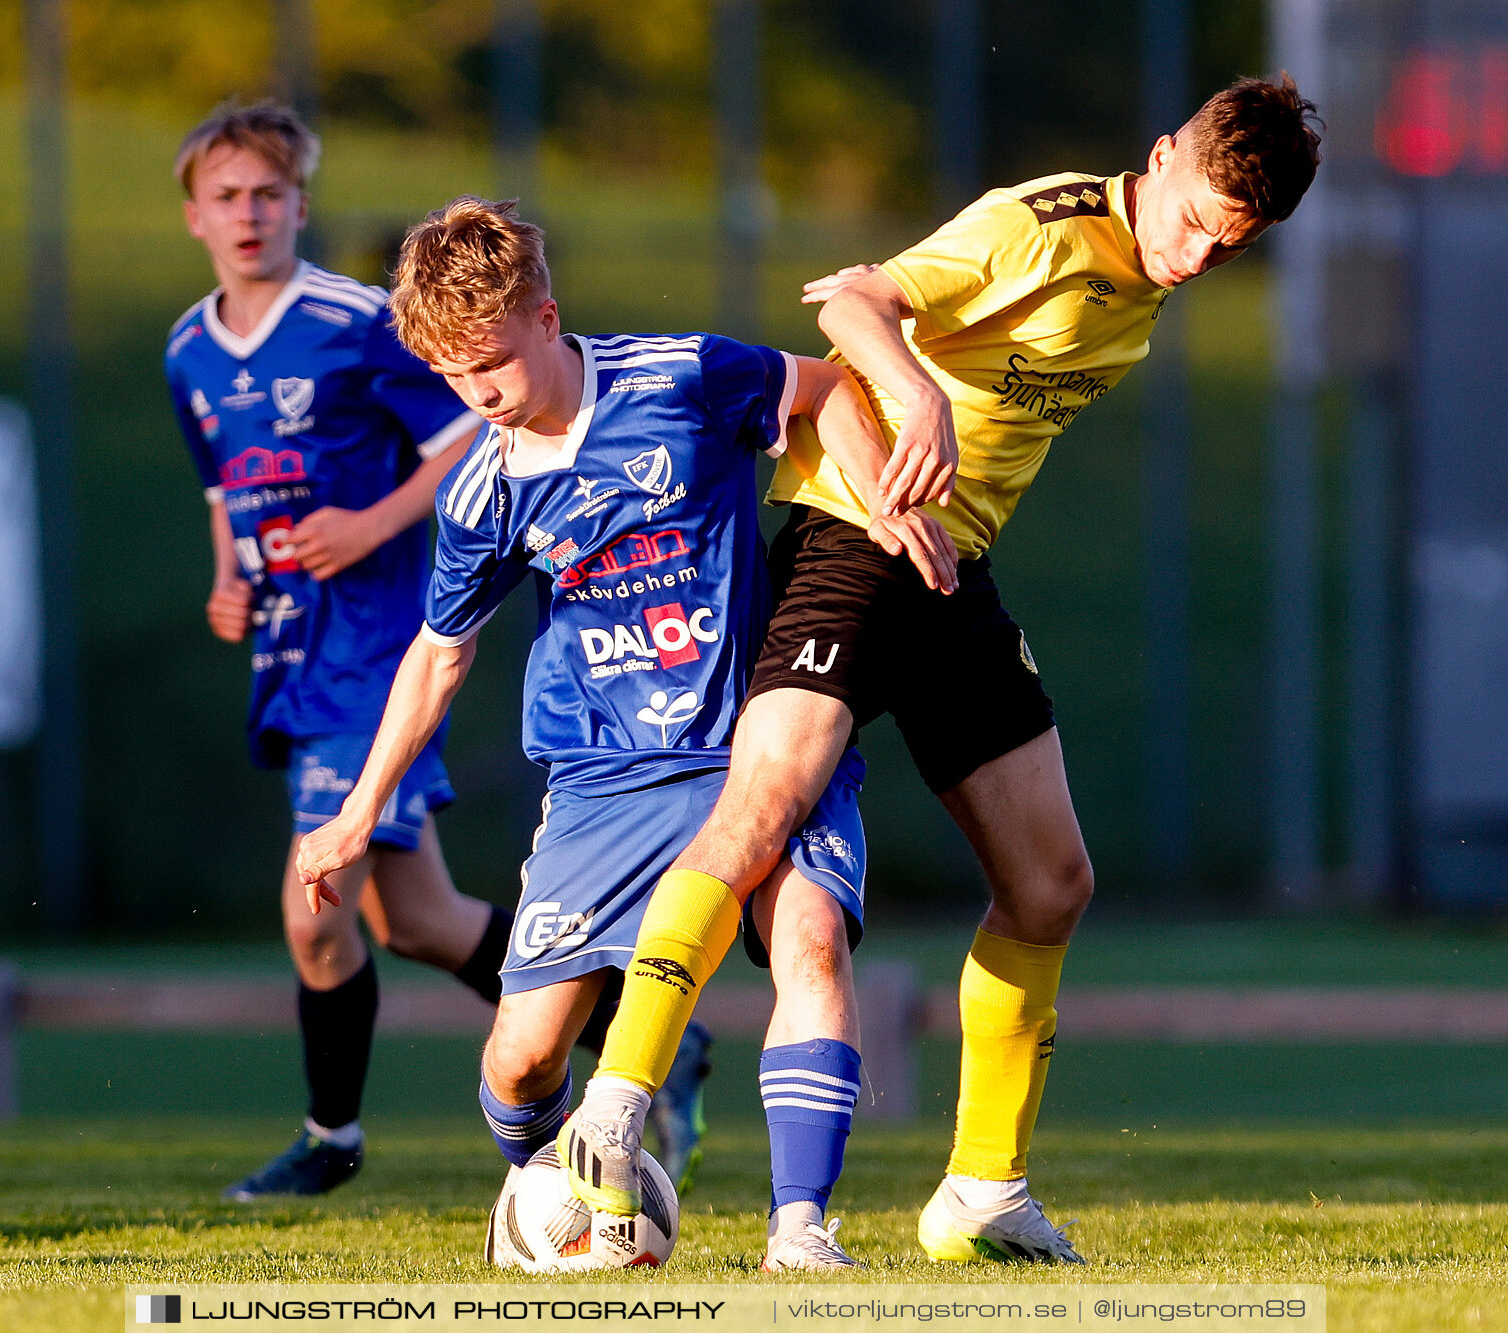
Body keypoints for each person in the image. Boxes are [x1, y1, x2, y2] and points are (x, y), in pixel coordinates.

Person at [560, 75, 1323, 1264]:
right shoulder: (1037, 225)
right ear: (1163, 154)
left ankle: (981, 1190)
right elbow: (853, 302)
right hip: (853, 539)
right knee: (763, 806)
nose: (1195, 255)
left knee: (1052, 882)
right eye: (1191, 221)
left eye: (1231, 245)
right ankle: (615, 1105)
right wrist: (915, 392)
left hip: (949, 570)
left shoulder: (1157, 269)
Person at [293, 197, 957, 1269]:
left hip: (760, 740)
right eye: (455, 378)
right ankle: (551, 1198)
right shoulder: (484, 490)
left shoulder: (681, 376)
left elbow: (822, 388)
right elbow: (439, 652)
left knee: (811, 943)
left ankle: (801, 1230)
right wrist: (355, 814)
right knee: (518, 1061)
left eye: (494, 365)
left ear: (548, 319)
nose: (480, 395)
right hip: (605, 778)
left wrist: (878, 497)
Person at [165, 104, 637, 1200]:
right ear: (195, 215)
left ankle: (331, 1138)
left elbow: (472, 428)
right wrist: (231, 579)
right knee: (417, 919)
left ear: (299, 205)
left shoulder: (352, 318)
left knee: (309, 899)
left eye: (269, 194)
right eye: (228, 197)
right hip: (290, 653)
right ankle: (637, 1027)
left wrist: (370, 526)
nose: (250, 215)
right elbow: (221, 493)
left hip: (374, 651)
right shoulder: (188, 347)